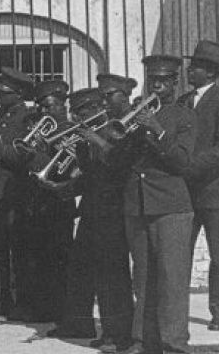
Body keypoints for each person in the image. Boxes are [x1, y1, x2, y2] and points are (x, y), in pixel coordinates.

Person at [116, 54, 197, 354]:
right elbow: (121, 160)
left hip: (170, 205)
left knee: (172, 279)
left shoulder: (184, 117)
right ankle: (142, 341)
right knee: (143, 278)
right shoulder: (138, 114)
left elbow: (182, 162)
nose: (157, 86)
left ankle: (175, 344)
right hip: (137, 203)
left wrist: (156, 130)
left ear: (175, 83)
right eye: (153, 80)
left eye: (163, 81)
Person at [47, 88, 134, 353]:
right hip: (91, 211)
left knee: (112, 276)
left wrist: (95, 140)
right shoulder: (87, 139)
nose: (78, 118)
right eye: (76, 113)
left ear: (97, 109)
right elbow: (90, 176)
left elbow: (120, 168)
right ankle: (80, 324)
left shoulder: (119, 131)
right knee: (81, 269)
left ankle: (118, 334)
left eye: (82, 112)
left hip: (114, 212)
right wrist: (63, 188)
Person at [178, 40, 219, 332]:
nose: (190, 70)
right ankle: (177, 312)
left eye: (196, 67)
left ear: (212, 72)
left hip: (216, 193)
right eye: (191, 66)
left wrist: (190, 166)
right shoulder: (183, 101)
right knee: (180, 254)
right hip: (186, 193)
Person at [12, 79, 76, 323]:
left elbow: (61, 170)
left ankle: (58, 310)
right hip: (37, 202)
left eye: (49, 107)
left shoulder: (70, 131)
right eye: (41, 107)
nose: (44, 112)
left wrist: (36, 154)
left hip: (58, 202)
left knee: (57, 258)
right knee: (38, 257)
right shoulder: (41, 131)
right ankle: (40, 308)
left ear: (62, 105)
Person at [0, 67, 34, 318]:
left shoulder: (27, 118)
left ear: (19, 94)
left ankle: (22, 301)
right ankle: (1, 299)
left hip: (15, 190)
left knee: (18, 249)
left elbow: (24, 155)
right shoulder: (0, 115)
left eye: (4, 93)